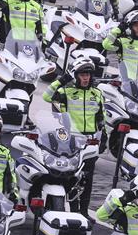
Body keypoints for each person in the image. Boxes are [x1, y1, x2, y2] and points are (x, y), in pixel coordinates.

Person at [42, 57, 104, 214]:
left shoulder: (97, 93)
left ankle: (83, 212)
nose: (86, 78)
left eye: (88, 75)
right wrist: (62, 80)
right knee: (71, 177)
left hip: (90, 143)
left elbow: (101, 118)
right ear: (76, 76)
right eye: (82, 74)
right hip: (71, 142)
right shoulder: (65, 92)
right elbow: (46, 96)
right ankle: (71, 208)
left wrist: (104, 138)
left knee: (87, 180)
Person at [103, 10, 138, 79]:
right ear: (130, 27)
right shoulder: (123, 42)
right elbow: (106, 44)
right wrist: (119, 29)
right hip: (126, 82)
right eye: (136, 25)